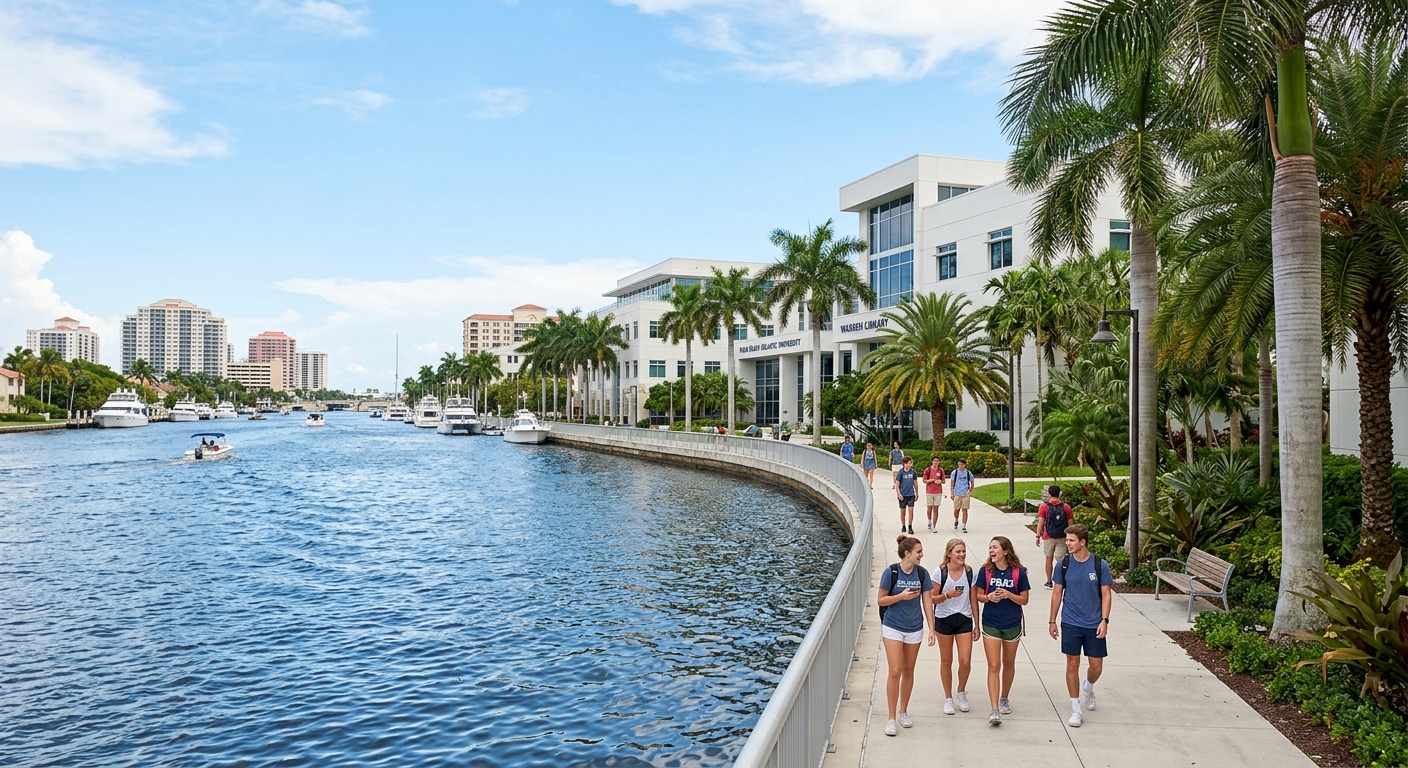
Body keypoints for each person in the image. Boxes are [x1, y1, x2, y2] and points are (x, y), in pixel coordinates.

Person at [1048, 524, 1113, 728]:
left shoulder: (1099, 565)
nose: (1068, 544)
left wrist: (1104, 620)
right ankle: (1076, 708)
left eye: (1071, 541)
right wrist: (1052, 621)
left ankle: (1089, 687)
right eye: (1067, 540)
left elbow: (1106, 594)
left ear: (1082, 542)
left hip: (1094, 623)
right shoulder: (1063, 564)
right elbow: (1057, 593)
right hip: (1070, 622)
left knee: (1096, 666)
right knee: (1072, 664)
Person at [877, 534, 934, 737]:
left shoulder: (922, 574)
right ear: (907, 553)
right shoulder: (891, 572)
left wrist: (931, 628)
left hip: (914, 628)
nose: (921, 555)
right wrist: (901, 596)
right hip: (893, 626)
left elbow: (928, 601)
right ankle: (891, 717)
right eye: (918, 552)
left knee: (909, 670)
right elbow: (881, 600)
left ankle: (903, 711)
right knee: (895, 670)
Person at [975, 536, 1031, 725]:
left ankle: (1004, 697)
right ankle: (994, 709)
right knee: (993, 665)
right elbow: (978, 596)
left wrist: (1008, 594)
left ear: (1005, 551)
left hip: (1012, 624)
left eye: (995, 547)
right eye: (990, 547)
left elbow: (1024, 599)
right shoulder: (985, 571)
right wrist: (989, 597)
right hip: (991, 622)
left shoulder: (1018, 573)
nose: (991, 551)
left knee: (1008, 663)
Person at [929, 538, 980, 716]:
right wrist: (948, 595)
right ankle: (948, 697)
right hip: (944, 618)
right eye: (958, 552)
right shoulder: (939, 572)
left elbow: (973, 598)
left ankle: (961, 691)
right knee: (946, 660)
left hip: (964, 618)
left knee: (965, 660)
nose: (962, 555)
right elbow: (932, 598)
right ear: (949, 553)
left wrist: (977, 624)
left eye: (963, 551)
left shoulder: (969, 572)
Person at [1037, 485, 1072, 589]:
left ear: (1049, 494)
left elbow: (1041, 522)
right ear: (1059, 494)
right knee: (1060, 560)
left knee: (1049, 558)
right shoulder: (1066, 507)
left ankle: (1048, 581)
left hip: (1048, 536)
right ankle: (1061, 581)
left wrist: (1038, 536)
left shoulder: (1044, 506)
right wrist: (1070, 537)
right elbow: (1071, 523)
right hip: (1062, 536)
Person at [893, 456, 919, 535]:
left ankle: (910, 526)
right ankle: (903, 525)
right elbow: (897, 484)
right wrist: (898, 494)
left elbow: (915, 483)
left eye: (910, 463)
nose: (909, 465)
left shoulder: (913, 472)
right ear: (904, 464)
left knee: (911, 511)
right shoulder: (901, 472)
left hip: (911, 494)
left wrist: (917, 493)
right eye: (908, 463)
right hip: (903, 494)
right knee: (903, 511)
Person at [949, 458, 975, 533]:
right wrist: (952, 493)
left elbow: (972, 482)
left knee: (965, 509)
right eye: (959, 464)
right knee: (956, 509)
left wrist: (970, 491)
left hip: (965, 493)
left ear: (965, 465)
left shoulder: (968, 473)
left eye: (962, 464)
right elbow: (952, 483)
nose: (961, 466)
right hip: (957, 493)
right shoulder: (955, 472)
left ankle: (964, 525)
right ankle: (956, 519)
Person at [922, 457, 947, 532]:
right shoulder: (928, 470)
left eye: (937, 461)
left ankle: (934, 525)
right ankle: (929, 521)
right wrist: (930, 480)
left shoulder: (940, 470)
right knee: (929, 508)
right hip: (929, 491)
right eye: (934, 461)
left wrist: (940, 481)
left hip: (938, 492)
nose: (936, 462)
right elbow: (924, 480)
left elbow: (944, 480)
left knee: (936, 509)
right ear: (932, 461)